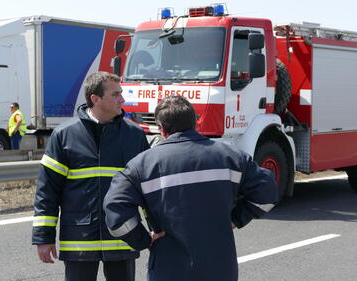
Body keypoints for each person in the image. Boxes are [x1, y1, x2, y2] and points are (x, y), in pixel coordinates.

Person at [103, 95, 278, 281]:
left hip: (169, 268)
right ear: (196, 122)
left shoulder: (141, 165)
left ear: (161, 129)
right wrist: (236, 219)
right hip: (220, 268)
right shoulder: (232, 156)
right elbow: (267, 192)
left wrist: (143, 240)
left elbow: (115, 212)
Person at [32, 72, 150, 281]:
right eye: (115, 94)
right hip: (79, 240)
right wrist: (44, 237)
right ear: (95, 99)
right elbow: (48, 190)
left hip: (123, 236)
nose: (122, 99)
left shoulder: (135, 135)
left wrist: (156, 229)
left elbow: (149, 189)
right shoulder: (64, 135)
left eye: (121, 93)